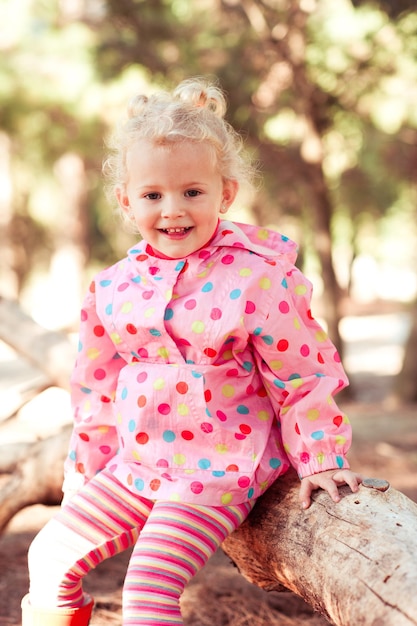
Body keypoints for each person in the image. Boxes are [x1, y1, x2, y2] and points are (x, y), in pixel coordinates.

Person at [22, 77, 362, 626]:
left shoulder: (256, 278)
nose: (173, 209)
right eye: (153, 195)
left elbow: (303, 374)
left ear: (225, 194)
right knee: (48, 555)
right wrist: (88, 466)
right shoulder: (113, 286)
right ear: (126, 200)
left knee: (146, 593)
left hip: (219, 467)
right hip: (135, 464)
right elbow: (96, 385)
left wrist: (321, 456)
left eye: (192, 192)